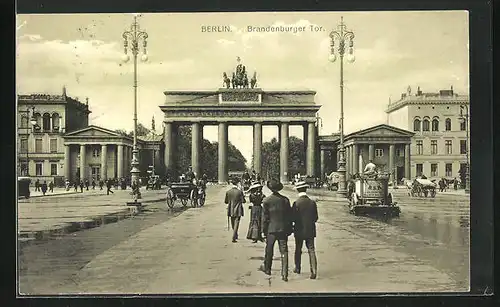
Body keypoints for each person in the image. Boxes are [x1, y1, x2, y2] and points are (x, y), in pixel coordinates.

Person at [260, 178, 293, 282]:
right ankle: (284, 274)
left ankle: (267, 269)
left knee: (269, 250)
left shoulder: (266, 201)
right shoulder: (285, 200)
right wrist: (288, 228)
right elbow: (289, 216)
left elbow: (265, 218)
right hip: (283, 229)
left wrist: (263, 230)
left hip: (271, 229)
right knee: (284, 251)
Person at [291, 181, 318, 279]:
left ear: (298, 190)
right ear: (306, 189)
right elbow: (316, 218)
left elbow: (293, 218)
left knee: (298, 249)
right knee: (311, 250)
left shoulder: (296, 203)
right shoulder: (312, 202)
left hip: (299, 230)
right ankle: (314, 271)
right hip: (310, 230)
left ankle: (297, 268)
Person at [224, 178, 246, 243]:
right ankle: (234, 235)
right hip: (238, 209)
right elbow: (243, 201)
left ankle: (235, 233)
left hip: (230, 209)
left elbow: (226, 201)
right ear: (237, 183)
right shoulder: (239, 192)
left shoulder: (228, 192)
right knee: (237, 222)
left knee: (233, 222)